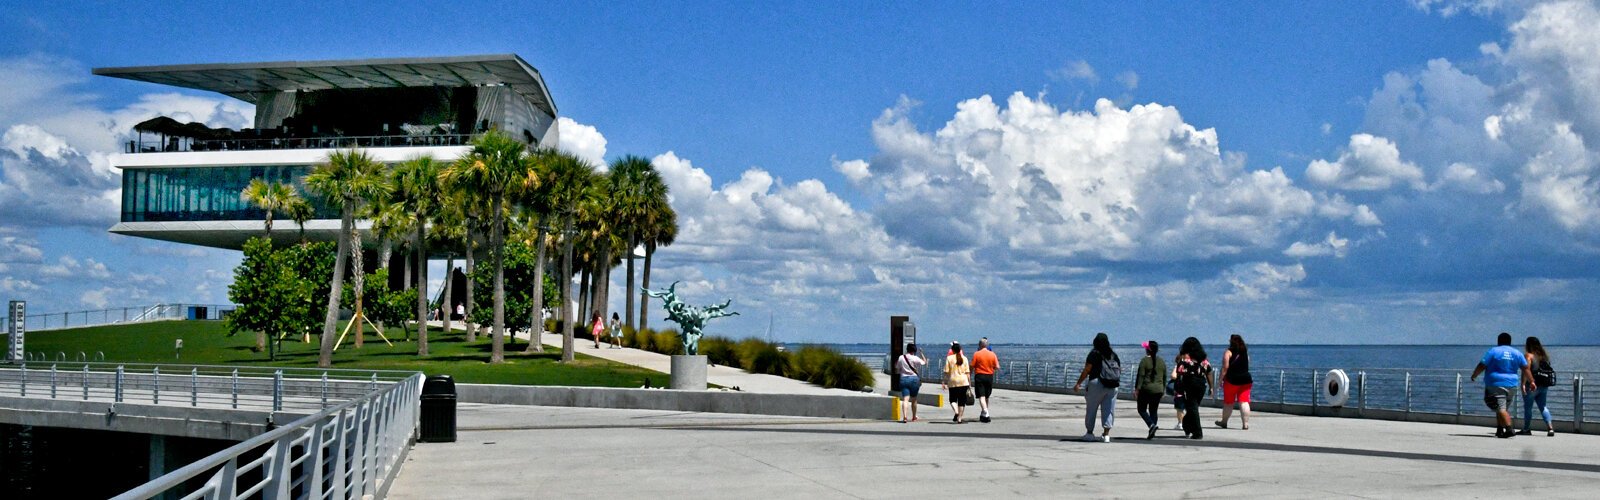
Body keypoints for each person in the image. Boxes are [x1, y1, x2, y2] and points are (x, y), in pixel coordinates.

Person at [1470, 332, 1536, 438]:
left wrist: (1474, 375)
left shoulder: (1494, 351)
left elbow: (1482, 364)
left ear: (1498, 341)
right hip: (1512, 385)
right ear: (1510, 342)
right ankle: (1500, 430)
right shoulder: (1517, 353)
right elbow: (1525, 368)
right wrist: (1532, 381)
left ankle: (1509, 429)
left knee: (1501, 408)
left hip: (1496, 384)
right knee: (1502, 408)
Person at [1073, 332, 1121, 442]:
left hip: (1097, 383)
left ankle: (1089, 433)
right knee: (1109, 409)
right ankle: (1106, 435)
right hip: (1113, 385)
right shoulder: (1113, 355)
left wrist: (1078, 383)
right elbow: (1119, 370)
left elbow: (1087, 369)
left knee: (1091, 408)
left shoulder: (1094, 354)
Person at [1173, 337, 1214, 439]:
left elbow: (1179, 371)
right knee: (1193, 407)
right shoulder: (1203, 359)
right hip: (1201, 384)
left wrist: (1178, 386)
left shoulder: (1184, 358)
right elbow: (1209, 372)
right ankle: (1187, 426)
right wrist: (1211, 387)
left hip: (1190, 382)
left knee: (1192, 407)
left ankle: (1197, 432)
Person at [1217, 334, 1253, 430]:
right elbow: (1248, 363)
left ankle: (1224, 422)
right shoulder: (1245, 352)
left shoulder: (1228, 352)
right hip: (1246, 380)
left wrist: (1220, 380)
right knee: (1244, 402)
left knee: (1229, 402)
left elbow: (1225, 368)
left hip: (1232, 380)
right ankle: (1245, 424)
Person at [1521, 336, 1556, 436]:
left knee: (1528, 408)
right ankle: (1550, 428)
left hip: (1532, 386)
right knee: (1543, 407)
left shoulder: (1528, 356)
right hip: (1544, 385)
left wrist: (1523, 384)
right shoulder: (1544, 356)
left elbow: (1526, 370)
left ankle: (1526, 429)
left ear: (1528, 345)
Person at [1134, 340, 1167, 440]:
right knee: (1153, 410)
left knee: (1141, 409)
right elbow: (1164, 376)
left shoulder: (1144, 361)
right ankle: (1152, 429)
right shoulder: (1161, 361)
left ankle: (1151, 425)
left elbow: (1140, 376)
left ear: (1148, 350)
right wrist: (1163, 389)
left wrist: (1137, 389)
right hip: (1158, 389)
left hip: (1146, 389)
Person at [943, 341, 972, 424]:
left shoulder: (949, 358)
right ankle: (959, 418)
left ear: (952, 350)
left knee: (952, 400)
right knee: (962, 401)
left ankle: (956, 412)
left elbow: (946, 371)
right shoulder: (965, 358)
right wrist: (969, 384)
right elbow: (968, 373)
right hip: (963, 382)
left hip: (953, 382)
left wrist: (944, 382)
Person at [897, 343, 927, 423]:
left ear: (907, 349)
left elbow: (897, 368)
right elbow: (924, 362)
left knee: (905, 399)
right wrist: (921, 353)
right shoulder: (915, 358)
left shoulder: (901, 357)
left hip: (903, 379)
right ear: (915, 350)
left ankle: (905, 417)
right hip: (914, 379)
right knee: (914, 399)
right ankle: (914, 417)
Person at [971, 337, 999, 423]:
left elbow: (972, 365)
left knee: (981, 396)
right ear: (987, 345)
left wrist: (970, 373)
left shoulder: (976, 354)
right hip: (989, 376)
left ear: (980, 345)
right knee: (986, 396)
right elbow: (997, 367)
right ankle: (984, 413)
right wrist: (991, 367)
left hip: (979, 376)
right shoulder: (992, 354)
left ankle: (986, 412)